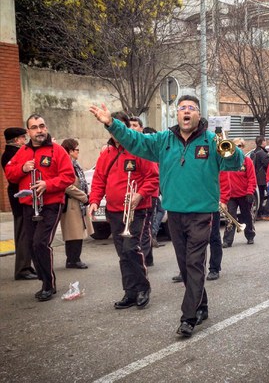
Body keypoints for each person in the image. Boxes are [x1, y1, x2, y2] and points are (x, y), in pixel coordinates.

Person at [89, 95, 244, 338]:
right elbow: (135, 141)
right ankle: (201, 305)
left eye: (191, 108)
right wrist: (111, 123)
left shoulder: (212, 140)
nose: (186, 111)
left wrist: (230, 148)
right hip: (175, 214)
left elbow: (235, 163)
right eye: (182, 108)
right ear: (177, 114)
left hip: (202, 214)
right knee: (185, 265)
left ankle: (188, 317)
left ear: (198, 114)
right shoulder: (164, 140)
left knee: (194, 263)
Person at [88, 112, 159, 310]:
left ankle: (143, 288)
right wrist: (94, 201)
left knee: (131, 249)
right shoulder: (106, 154)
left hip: (137, 209)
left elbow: (153, 177)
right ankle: (130, 292)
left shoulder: (140, 149)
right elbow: (99, 179)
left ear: (126, 128)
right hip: (114, 211)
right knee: (122, 253)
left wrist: (140, 194)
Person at [5, 114, 75, 301]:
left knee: (40, 243)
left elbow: (69, 176)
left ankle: (49, 285)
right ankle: (44, 280)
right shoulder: (22, 151)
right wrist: (23, 169)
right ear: (28, 132)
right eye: (34, 127)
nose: (39, 130)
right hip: (29, 205)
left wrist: (47, 184)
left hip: (51, 204)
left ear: (46, 127)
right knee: (31, 245)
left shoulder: (57, 150)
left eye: (42, 126)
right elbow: (10, 174)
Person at [1, 127, 37, 280]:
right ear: (16, 140)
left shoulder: (15, 152)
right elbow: (14, 175)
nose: (25, 140)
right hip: (19, 198)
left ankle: (27, 266)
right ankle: (22, 269)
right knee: (23, 233)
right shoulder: (11, 154)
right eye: (23, 137)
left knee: (26, 232)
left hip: (22, 196)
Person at [129, 116, 159, 266]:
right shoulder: (128, 146)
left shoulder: (145, 147)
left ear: (141, 129)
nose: (132, 128)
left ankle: (145, 258)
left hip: (148, 194)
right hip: (133, 195)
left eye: (135, 125)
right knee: (139, 228)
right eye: (130, 125)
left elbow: (154, 173)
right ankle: (145, 256)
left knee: (145, 227)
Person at [60, 139, 93, 269]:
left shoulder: (75, 164)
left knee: (78, 233)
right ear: (70, 151)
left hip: (78, 203)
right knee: (73, 233)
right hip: (71, 203)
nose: (78, 152)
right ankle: (72, 260)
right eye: (77, 150)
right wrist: (84, 197)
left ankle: (75, 259)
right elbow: (67, 185)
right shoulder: (66, 164)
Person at [222, 138, 256, 247]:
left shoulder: (247, 161)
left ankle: (250, 235)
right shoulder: (225, 161)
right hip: (230, 196)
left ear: (243, 147)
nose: (238, 148)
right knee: (230, 218)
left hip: (244, 195)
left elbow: (252, 178)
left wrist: (250, 192)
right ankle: (227, 240)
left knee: (247, 216)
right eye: (235, 146)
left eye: (240, 146)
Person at [252, 136, 269, 221]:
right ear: (262, 142)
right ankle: (266, 213)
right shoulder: (262, 153)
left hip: (257, 179)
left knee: (261, 197)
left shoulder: (253, 152)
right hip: (264, 179)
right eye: (265, 141)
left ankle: (259, 214)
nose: (266, 142)